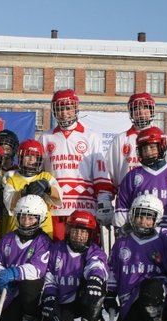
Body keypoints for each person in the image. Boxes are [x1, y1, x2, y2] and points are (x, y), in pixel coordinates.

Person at [106, 194, 167, 321]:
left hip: (156, 292)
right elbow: (113, 268)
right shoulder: (122, 242)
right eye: (140, 216)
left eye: (149, 217)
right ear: (133, 215)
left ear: (157, 218)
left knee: (151, 287)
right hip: (130, 296)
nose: (143, 221)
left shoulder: (164, 239)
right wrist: (111, 293)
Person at [39, 89, 114, 242]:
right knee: (57, 253)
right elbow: (40, 173)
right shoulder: (45, 137)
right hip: (55, 208)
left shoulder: (91, 136)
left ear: (75, 109)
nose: (64, 113)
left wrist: (104, 199)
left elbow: (100, 172)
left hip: (84, 206)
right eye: (59, 109)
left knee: (85, 252)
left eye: (68, 108)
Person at [40, 210, 109, 321]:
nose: (79, 236)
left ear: (90, 234)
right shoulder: (56, 249)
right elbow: (49, 275)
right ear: (68, 230)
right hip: (63, 301)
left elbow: (96, 265)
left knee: (97, 285)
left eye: (84, 232)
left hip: (82, 298)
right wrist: (50, 296)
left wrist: (95, 278)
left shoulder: (94, 251)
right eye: (75, 231)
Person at [0, 195, 52, 321]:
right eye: (23, 217)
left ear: (40, 218)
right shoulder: (8, 239)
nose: (26, 222)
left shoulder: (43, 242)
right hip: (12, 292)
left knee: (29, 285)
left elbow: (39, 269)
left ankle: (30, 318)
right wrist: (0, 276)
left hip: (32, 293)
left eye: (31, 218)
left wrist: (13, 273)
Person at [112, 127, 167, 234]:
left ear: (162, 147)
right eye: (144, 149)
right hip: (140, 233)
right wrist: (121, 228)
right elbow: (123, 207)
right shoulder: (132, 176)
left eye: (152, 147)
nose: (148, 152)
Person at [106, 93, 167, 191]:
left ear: (151, 111)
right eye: (136, 109)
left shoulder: (166, 140)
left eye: (145, 108)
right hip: (127, 196)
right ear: (131, 113)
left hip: (157, 196)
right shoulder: (120, 140)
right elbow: (109, 172)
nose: (141, 112)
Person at [3, 139, 62, 240]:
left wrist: (48, 188)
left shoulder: (46, 177)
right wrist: (25, 192)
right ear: (20, 158)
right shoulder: (12, 178)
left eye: (35, 157)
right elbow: (10, 204)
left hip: (43, 231)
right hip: (17, 231)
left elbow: (59, 197)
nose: (31, 160)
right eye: (27, 156)